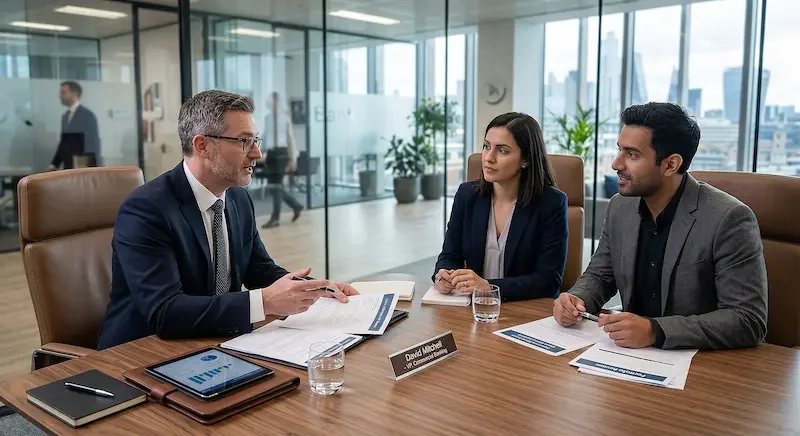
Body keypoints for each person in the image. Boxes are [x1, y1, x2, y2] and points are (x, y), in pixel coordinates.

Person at [97, 90, 358, 349]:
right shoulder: (146, 209)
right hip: (138, 355)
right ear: (202, 146)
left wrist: (316, 291)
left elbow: (260, 270)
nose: (257, 153)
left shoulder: (237, 199)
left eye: (256, 140)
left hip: (213, 343)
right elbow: (165, 312)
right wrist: (265, 302)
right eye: (244, 142)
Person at [553, 102, 767, 350]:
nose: (616, 164)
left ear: (670, 164)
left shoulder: (729, 219)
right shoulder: (620, 207)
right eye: (620, 150)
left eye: (632, 155)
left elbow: (748, 319)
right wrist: (577, 299)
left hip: (701, 365)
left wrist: (656, 331)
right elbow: (601, 275)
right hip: (626, 356)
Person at [432, 112, 568, 302]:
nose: (489, 158)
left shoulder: (551, 203)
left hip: (525, 311)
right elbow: (449, 255)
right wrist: (442, 275)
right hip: (475, 309)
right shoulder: (467, 195)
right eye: (487, 147)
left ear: (526, 159)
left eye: (502, 150)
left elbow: (548, 280)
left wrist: (489, 287)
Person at [262, 91, 303, 229]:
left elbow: (290, 139)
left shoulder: (285, 119)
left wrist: (293, 159)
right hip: (271, 154)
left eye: (273, 100)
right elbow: (266, 136)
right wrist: (262, 151)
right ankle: (296, 205)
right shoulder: (267, 118)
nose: (270, 102)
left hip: (282, 153)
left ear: (278, 102)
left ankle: (275, 218)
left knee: (277, 186)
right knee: (274, 187)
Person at [46, 81, 101, 171]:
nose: (60, 96)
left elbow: (92, 143)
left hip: (82, 168)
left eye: (63, 92)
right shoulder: (65, 117)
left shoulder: (87, 115)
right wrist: (54, 164)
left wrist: (91, 169)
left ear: (74, 94)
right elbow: (64, 143)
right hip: (69, 167)